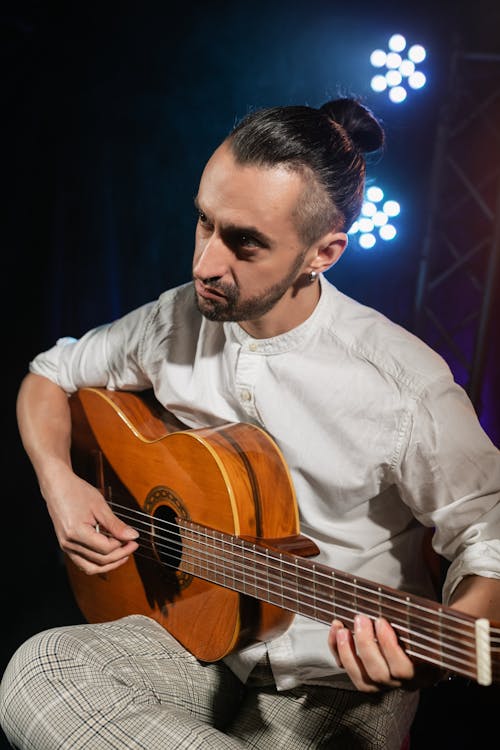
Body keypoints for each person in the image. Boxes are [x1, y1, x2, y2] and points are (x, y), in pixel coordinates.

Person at [1, 96, 500, 750]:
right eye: (204, 222)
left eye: (244, 243)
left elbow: (488, 531)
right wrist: (58, 483)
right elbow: (50, 375)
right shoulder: (175, 318)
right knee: (38, 673)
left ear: (323, 253)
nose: (205, 263)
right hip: (197, 643)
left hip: (338, 680)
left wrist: (435, 646)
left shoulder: (402, 383)